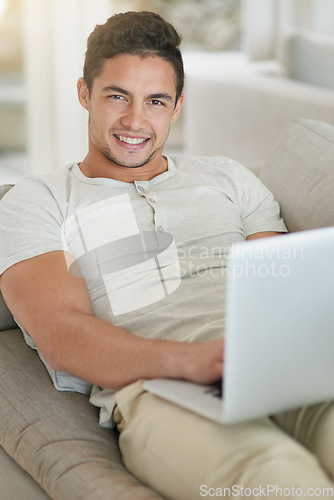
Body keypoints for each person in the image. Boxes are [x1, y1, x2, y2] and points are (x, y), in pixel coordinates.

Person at [0, 10, 333, 500]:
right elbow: (61, 333)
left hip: (273, 370)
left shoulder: (228, 177)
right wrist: (189, 362)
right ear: (84, 93)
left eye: (155, 101)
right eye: (117, 96)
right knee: (280, 480)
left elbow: (283, 291)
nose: (135, 121)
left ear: (176, 107)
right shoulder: (37, 199)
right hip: (161, 392)